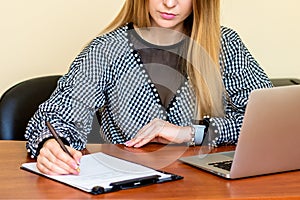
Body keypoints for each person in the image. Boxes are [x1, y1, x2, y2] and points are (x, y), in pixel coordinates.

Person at [25, 0, 273, 175]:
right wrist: (50, 145)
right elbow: (58, 116)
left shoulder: (225, 45)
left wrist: (191, 133)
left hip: (208, 187)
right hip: (129, 186)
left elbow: (267, 121)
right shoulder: (106, 50)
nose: (169, 3)